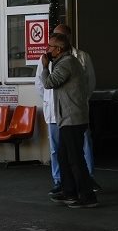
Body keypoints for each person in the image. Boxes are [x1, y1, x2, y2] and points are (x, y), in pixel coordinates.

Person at [34, 23, 99, 194]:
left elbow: (89, 83)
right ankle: (62, 183)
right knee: (59, 151)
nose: (47, 48)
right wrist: (51, 101)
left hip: (71, 113)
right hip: (57, 111)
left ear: (63, 42)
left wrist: (77, 101)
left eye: (53, 42)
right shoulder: (49, 59)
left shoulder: (77, 58)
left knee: (79, 151)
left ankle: (85, 185)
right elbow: (40, 84)